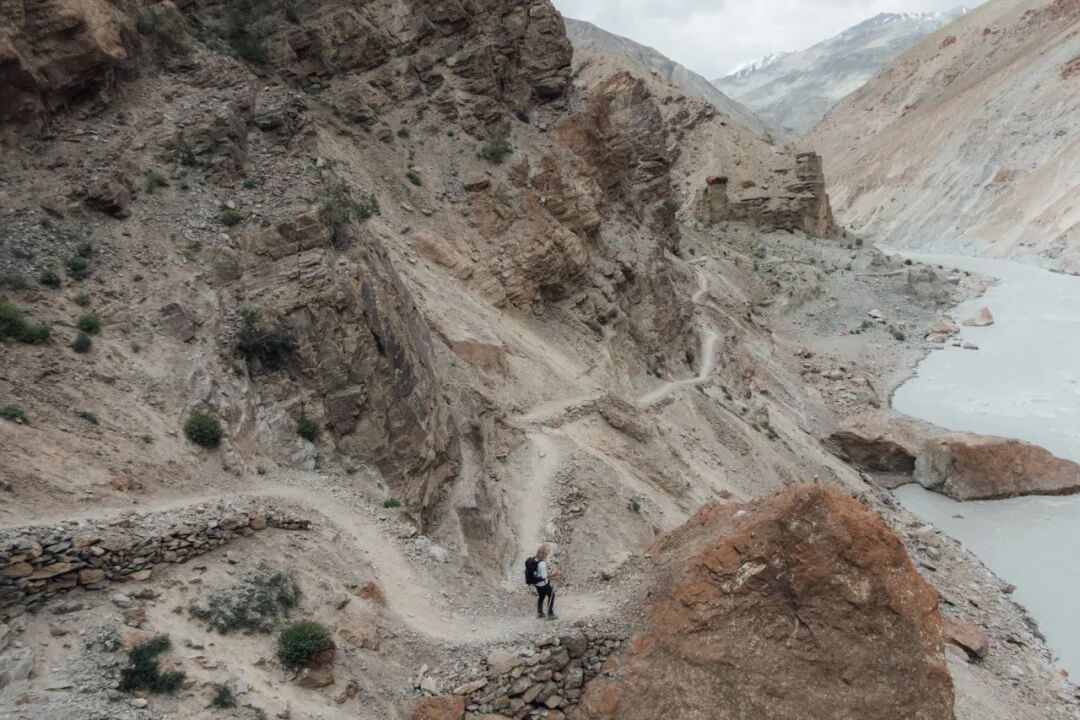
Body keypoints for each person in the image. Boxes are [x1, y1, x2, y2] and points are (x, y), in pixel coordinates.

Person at [534, 545, 557, 620]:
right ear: (544, 554)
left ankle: (540, 612)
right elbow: (544, 576)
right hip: (543, 584)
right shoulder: (542, 564)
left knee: (541, 596)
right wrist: (553, 575)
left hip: (537, 584)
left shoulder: (535, 561)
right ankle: (550, 613)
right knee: (552, 595)